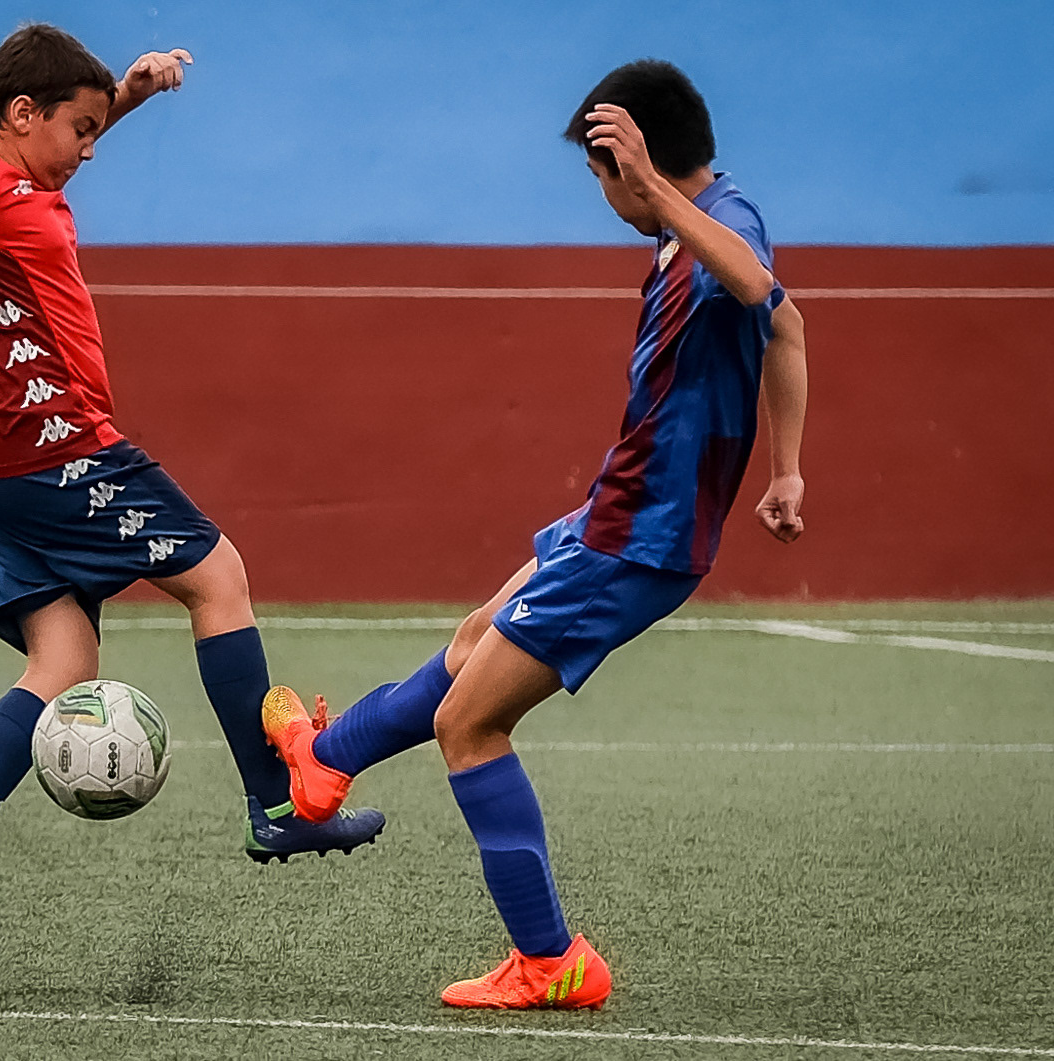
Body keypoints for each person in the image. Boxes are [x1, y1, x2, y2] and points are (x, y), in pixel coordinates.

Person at [262, 59, 807, 1009]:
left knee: (468, 725)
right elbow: (789, 328)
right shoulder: (707, 221)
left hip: (639, 536)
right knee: (476, 636)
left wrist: (654, 195)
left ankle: (552, 962)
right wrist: (787, 470)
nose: (603, 196)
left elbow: (759, 288)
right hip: (615, 512)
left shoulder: (713, 225)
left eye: (602, 176)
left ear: (633, 165)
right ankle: (326, 761)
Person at [0, 23, 383, 965]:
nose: (90, 150)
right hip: (55, 452)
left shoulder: (17, 181)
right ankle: (274, 805)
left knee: (64, 660)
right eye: (81, 129)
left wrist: (124, 97)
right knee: (218, 577)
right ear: (22, 114)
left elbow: (44, 158)